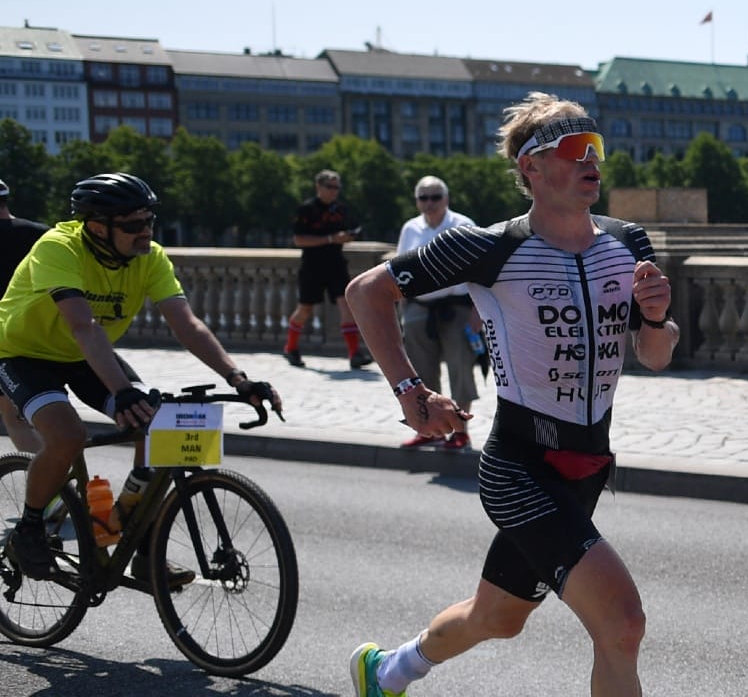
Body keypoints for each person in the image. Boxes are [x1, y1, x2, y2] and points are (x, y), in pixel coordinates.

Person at [344, 92, 679, 697]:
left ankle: (386, 670)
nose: (592, 161)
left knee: (496, 617)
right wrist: (409, 392)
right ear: (530, 168)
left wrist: (655, 319)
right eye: (574, 150)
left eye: (596, 148)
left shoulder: (629, 243)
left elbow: (655, 355)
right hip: (519, 465)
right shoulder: (489, 245)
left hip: (589, 465)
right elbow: (366, 291)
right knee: (622, 624)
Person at [0, 172, 281, 587]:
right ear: (98, 228)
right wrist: (121, 390)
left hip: (84, 356)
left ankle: (136, 542)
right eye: (133, 225)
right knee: (66, 434)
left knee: (162, 427)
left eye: (149, 221)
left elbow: (187, 325)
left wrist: (239, 379)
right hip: (22, 353)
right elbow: (83, 324)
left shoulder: (149, 257)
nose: (145, 232)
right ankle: (29, 528)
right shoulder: (59, 247)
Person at [395, 175, 480, 450]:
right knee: (420, 373)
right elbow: (397, 273)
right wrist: (402, 311)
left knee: (460, 368)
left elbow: (481, 271)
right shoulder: (410, 228)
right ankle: (429, 429)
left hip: (457, 309)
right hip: (419, 308)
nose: (429, 203)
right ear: (417, 200)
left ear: (446, 199)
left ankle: (460, 431)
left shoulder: (463, 225)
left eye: (435, 197)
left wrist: (478, 313)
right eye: (423, 197)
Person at [282, 169, 373, 370]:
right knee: (305, 308)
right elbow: (299, 239)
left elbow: (349, 228)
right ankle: (291, 347)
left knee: (346, 305)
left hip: (336, 263)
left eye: (337, 187)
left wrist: (348, 236)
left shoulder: (340, 209)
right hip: (312, 265)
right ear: (318, 187)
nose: (334, 191)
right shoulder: (306, 209)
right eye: (330, 187)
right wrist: (331, 239)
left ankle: (354, 353)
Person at [0, 177, 48, 452]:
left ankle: (51, 484)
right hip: (42, 333)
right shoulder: (41, 234)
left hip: (5, 340)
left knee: (14, 419)